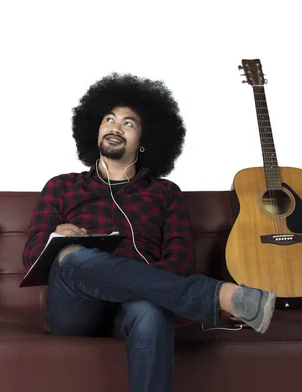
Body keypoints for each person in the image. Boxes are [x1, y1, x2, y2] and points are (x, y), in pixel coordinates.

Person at [21, 73, 276, 392]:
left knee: (150, 311)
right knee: (71, 256)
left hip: (134, 309)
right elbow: (30, 259)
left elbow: (180, 262)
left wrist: (134, 283)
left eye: (128, 123)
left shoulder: (165, 193)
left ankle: (186, 296)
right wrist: (54, 238)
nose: (115, 127)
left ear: (144, 141)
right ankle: (216, 296)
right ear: (95, 129)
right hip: (74, 310)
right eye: (109, 119)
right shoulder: (61, 186)